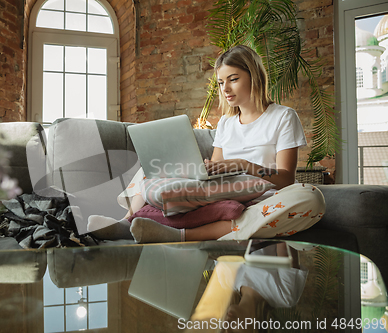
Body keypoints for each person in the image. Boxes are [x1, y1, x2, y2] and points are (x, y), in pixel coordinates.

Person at [88, 45, 326, 243]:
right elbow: (216, 165)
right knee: (154, 167)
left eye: (233, 79)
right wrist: (204, 168)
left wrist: (244, 165)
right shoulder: (226, 122)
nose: (226, 89)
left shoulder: (283, 116)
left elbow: (286, 179)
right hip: (222, 192)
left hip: (263, 196)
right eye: (221, 82)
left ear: (254, 76)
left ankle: (181, 235)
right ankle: (126, 223)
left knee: (311, 196)